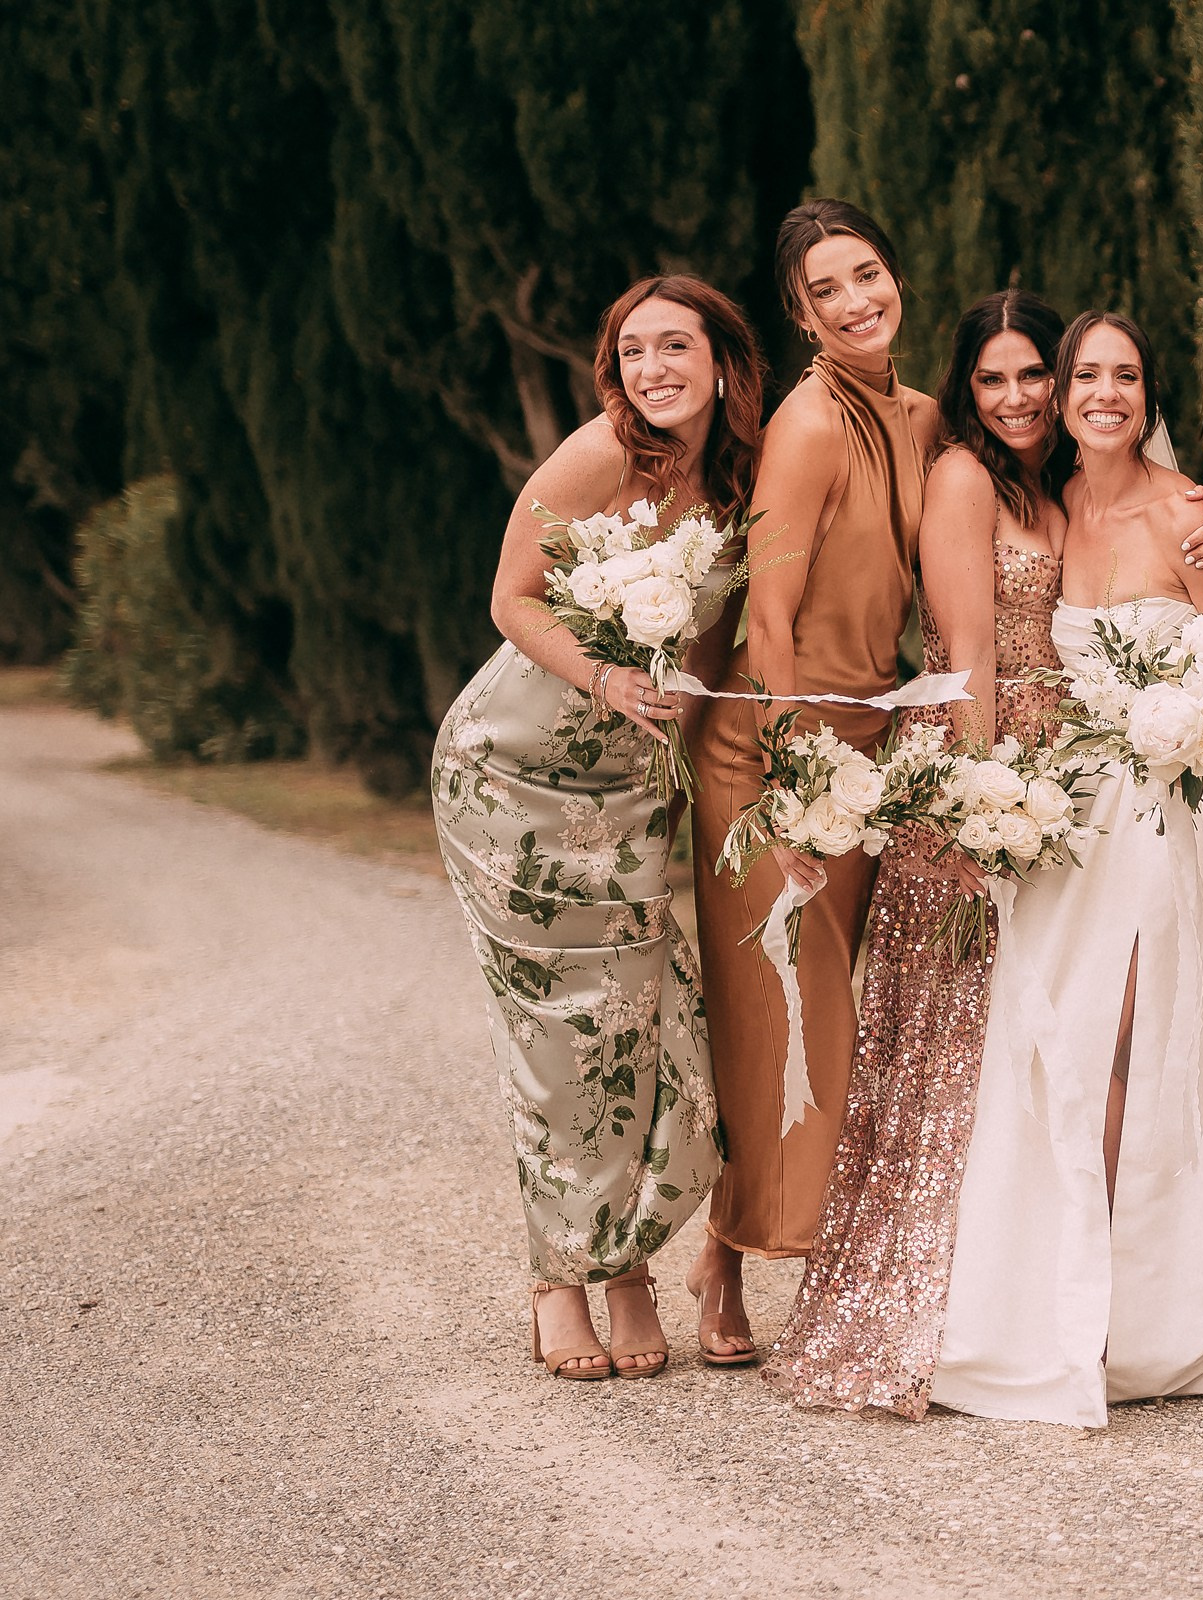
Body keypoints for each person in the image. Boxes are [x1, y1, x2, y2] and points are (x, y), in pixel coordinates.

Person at [931, 311, 1203, 1427]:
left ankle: (1137, 1300)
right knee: (1056, 1042)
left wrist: (1185, 726)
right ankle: (1059, 1285)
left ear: (1149, 392)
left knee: (1140, 1034)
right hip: (1075, 813)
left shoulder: (1191, 513)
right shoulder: (1044, 504)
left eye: (1124, 376)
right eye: (1085, 373)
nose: (1102, 393)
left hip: (1187, 812)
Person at [429, 274, 766, 1380]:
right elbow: (509, 597)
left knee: (645, 1027)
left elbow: (715, 653)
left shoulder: (742, 480)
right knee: (557, 1036)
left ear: (723, 360)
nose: (655, 371)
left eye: (677, 347)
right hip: (510, 777)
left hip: (629, 793)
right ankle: (556, 1279)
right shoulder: (595, 458)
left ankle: (627, 1261)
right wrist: (610, 678)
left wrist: (695, 756)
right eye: (633, 353)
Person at [762, 290, 1071, 1415]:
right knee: (946, 1050)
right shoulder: (961, 477)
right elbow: (971, 648)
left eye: (1033, 372)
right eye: (992, 379)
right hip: (969, 771)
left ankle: (1008, 1290)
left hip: (1052, 772)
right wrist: (988, 803)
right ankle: (918, 1303)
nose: (1017, 396)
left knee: (1013, 1041)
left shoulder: (1054, 481)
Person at [685, 199, 939, 1365]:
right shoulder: (807, 424)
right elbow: (770, 620)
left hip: (872, 749)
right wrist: (795, 783)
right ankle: (722, 1258)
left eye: (867, 273)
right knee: (772, 1011)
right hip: (776, 751)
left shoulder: (923, 416)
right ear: (800, 313)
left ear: (897, 277)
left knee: (847, 1021)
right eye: (826, 289)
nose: (855, 300)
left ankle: (813, 1254)